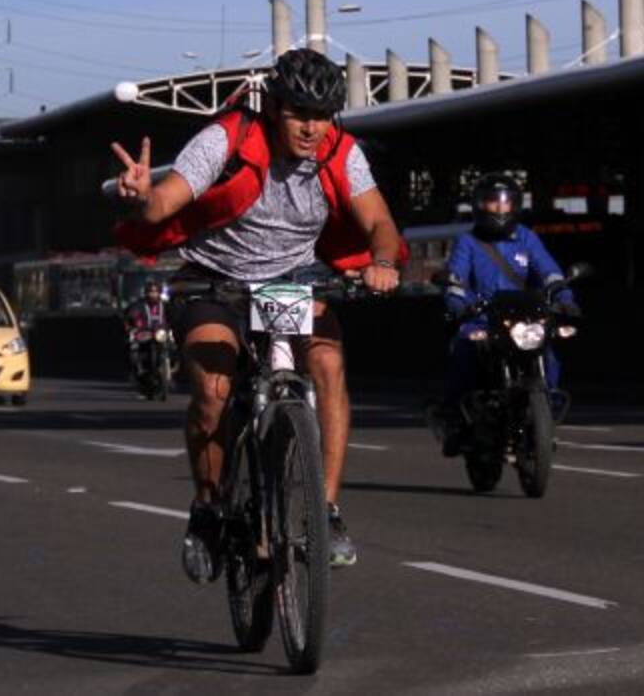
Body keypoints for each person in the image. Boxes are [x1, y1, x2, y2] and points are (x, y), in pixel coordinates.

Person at [111, 47, 403, 581]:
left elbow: (379, 221)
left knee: (329, 367)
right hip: (214, 281)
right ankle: (206, 512)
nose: (311, 128)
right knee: (214, 392)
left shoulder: (343, 151)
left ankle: (328, 513)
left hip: (292, 282)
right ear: (273, 107)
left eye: (321, 116)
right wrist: (141, 196)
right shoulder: (228, 137)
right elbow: (163, 204)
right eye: (298, 114)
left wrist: (382, 262)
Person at [431, 173, 579, 456]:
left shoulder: (527, 237)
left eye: (505, 204)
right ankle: (452, 419)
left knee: (548, 355)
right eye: (492, 203)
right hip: (482, 318)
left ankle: (546, 411)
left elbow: (548, 270)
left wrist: (564, 298)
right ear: (479, 206)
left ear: (516, 206)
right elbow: (456, 278)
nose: (499, 209)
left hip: (524, 320)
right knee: (464, 351)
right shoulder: (468, 241)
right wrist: (457, 303)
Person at [123, 279, 169, 383]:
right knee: (133, 349)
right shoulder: (139, 305)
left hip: (161, 333)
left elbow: (173, 316)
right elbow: (130, 315)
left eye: (156, 292)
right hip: (144, 333)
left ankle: (170, 369)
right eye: (151, 292)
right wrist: (133, 324)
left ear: (160, 293)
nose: (153, 294)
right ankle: (138, 370)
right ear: (146, 293)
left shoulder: (166, 305)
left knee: (174, 346)